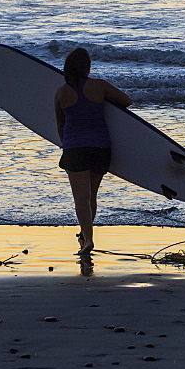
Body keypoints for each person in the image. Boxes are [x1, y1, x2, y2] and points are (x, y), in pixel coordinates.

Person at [54, 47, 132, 255]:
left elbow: (60, 125)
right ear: (87, 67)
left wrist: (68, 145)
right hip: (101, 148)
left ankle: (88, 239)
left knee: (81, 198)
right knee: (91, 196)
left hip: (75, 148)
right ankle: (84, 236)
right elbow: (126, 100)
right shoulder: (100, 86)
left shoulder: (61, 93)